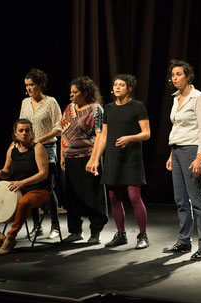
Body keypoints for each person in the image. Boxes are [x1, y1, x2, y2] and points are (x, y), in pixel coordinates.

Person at [91, 74, 150, 249]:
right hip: (113, 158)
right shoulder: (108, 108)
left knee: (134, 197)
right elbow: (103, 136)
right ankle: (121, 234)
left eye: (121, 85)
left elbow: (146, 133)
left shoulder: (138, 107)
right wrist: (95, 159)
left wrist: (130, 138)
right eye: (115, 84)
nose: (117, 87)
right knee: (114, 197)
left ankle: (143, 235)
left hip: (131, 157)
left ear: (129, 88)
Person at [163, 59, 201, 261]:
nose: (175, 78)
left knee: (197, 199)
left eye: (179, 74)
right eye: (173, 75)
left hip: (192, 150)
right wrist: (171, 154)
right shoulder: (176, 98)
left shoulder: (197, 97)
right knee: (181, 199)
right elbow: (177, 128)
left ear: (188, 76)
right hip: (177, 150)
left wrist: (200, 156)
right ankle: (184, 241)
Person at [0, 119, 49, 255]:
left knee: (24, 202)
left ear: (32, 132)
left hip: (38, 189)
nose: (24, 133)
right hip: (18, 190)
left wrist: (23, 182)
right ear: (15, 133)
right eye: (21, 131)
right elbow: (7, 171)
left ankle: (10, 238)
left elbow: (43, 174)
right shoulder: (12, 149)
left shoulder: (37, 147)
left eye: (27, 130)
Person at [60, 76, 108, 244]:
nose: (71, 95)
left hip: (88, 158)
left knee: (92, 195)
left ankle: (95, 232)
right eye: (71, 92)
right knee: (71, 196)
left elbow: (99, 135)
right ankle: (75, 231)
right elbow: (63, 133)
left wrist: (94, 159)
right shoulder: (69, 108)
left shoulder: (96, 109)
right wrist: (62, 155)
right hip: (70, 158)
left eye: (75, 92)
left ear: (86, 93)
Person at [20, 68, 62, 239]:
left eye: (32, 85)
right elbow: (21, 124)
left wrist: (40, 139)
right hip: (30, 150)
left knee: (48, 188)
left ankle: (55, 226)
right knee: (31, 189)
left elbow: (59, 128)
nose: (29, 88)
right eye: (26, 85)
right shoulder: (25, 102)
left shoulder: (51, 102)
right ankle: (37, 225)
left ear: (40, 85)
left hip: (47, 148)